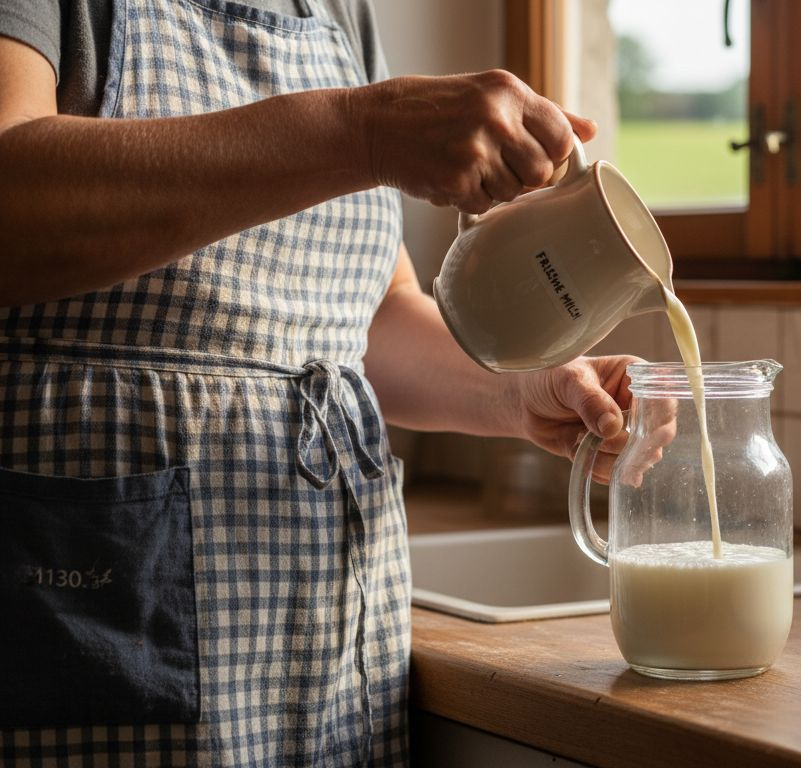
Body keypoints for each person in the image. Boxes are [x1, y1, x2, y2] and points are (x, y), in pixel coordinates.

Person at [0, 0, 634, 763]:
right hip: (97, 597)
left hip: (330, 648)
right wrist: (362, 130)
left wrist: (525, 393)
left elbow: (364, 320)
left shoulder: (336, 12)